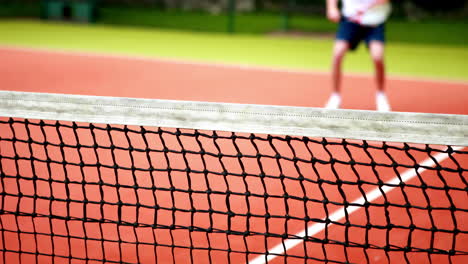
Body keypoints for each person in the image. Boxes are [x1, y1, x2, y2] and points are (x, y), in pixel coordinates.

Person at [325, 0, 392, 111]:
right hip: (350, 21)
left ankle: (381, 95)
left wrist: (367, 7)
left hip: (374, 22)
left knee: (377, 56)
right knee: (337, 54)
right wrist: (332, 8)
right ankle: (335, 96)